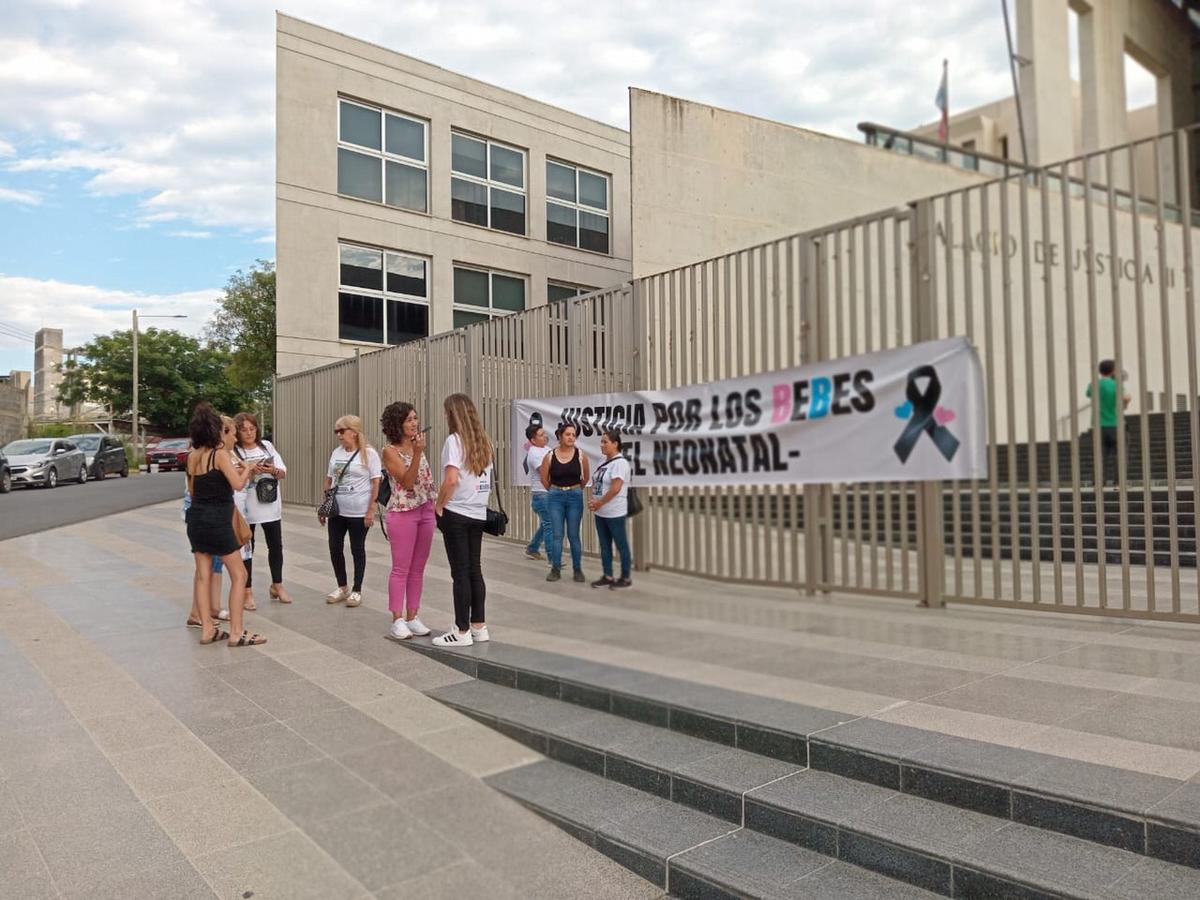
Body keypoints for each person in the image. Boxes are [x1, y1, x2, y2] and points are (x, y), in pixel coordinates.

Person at [184, 402, 265, 647]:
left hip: (196, 518)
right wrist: (248, 469)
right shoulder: (218, 455)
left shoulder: (192, 456)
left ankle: (207, 629)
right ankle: (237, 632)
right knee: (239, 574)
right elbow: (238, 485)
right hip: (218, 519)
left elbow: (191, 489)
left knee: (202, 574)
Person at [432, 393, 493, 648]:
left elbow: (451, 479)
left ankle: (461, 630)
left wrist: (439, 505)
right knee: (474, 569)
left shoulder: (454, 441)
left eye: (447, 412)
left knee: (460, 572)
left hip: (457, 512)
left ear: (453, 414)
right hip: (478, 512)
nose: (445, 416)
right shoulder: (484, 442)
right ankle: (479, 626)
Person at [380, 401, 435, 641]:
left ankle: (413, 616)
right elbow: (407, 482)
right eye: (409, 419)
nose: (415, 423)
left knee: (418, 568)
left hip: (425, 510)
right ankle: (397, 619)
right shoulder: (390, 451)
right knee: (401, 568)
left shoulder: (417, 446)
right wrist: (418, 453)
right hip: (402, 512)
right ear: (397, 424)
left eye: (416, 418)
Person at [320, 415, 382, 608]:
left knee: (357, 549)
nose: (339, 435)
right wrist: (325, 505)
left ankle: (357, 589)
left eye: (342, 431)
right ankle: (342, 586)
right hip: (338, 511)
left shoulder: (369, 454)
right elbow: (329, 479)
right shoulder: (336, 453)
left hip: (359, 511)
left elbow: (376, 482)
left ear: (354, 432)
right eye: (336, 431)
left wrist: (371, 510)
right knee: (335, 548)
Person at [233, 412, 292, 605]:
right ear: (237, 432)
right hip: (246, 506)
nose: (249, 433)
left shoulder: (266, 446)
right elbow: (233, 478)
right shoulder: (234, 451)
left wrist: (271, 470)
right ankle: (247, 591)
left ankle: (277, 584)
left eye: (252, 429)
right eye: (244, 430)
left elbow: (282, 472)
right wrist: (249, 471)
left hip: (270, 504)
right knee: (248, 548)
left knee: (275, 545)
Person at [540, 422, 590, 583]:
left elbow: (586, 478)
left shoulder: (581, 455)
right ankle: (555, 569)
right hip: (555, 497)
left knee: (574, 535)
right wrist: (554, 490)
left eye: (574, 435)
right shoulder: (550, 455)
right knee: (557, 534)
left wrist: (575, 489)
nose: (571, 438)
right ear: (560, 436)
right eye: (568, 434)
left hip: (575, 496)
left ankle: (577, 569)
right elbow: (544, 478)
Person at [587, 428, 634, 589]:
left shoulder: (620, 464)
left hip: (614, 512)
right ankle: (608, 575)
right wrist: (593, 500)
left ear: (615, 444)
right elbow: (596, 483)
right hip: (601, 512)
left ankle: (626, 577)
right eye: (601, 441)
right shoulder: (602, 461)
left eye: (605, 442)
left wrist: (599, 502)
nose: (602, 445)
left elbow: (615, 488)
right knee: (605, 545)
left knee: (621, 545)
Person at [1086, 359, 1131, 486]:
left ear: (1100, 371)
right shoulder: (1116, 385)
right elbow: (1127, 397)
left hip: (1098, 425)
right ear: (1112, 371)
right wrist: (1125, 405)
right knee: (1120, 454)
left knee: (1100, 455)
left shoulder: (1094, 384)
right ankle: (1119, 481)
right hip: (1116, 424)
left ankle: (1099, 481)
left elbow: (1089, 394)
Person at [523, 423, 552, 561]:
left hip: (550, 492)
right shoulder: (534, 453)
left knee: (546, 524)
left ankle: (533, 548)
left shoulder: (547, 449)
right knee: (550, 525)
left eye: (544, 433)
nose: (545, 436)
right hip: (541, 494)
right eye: (541, 435)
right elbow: (545, 472)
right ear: (533, 440)